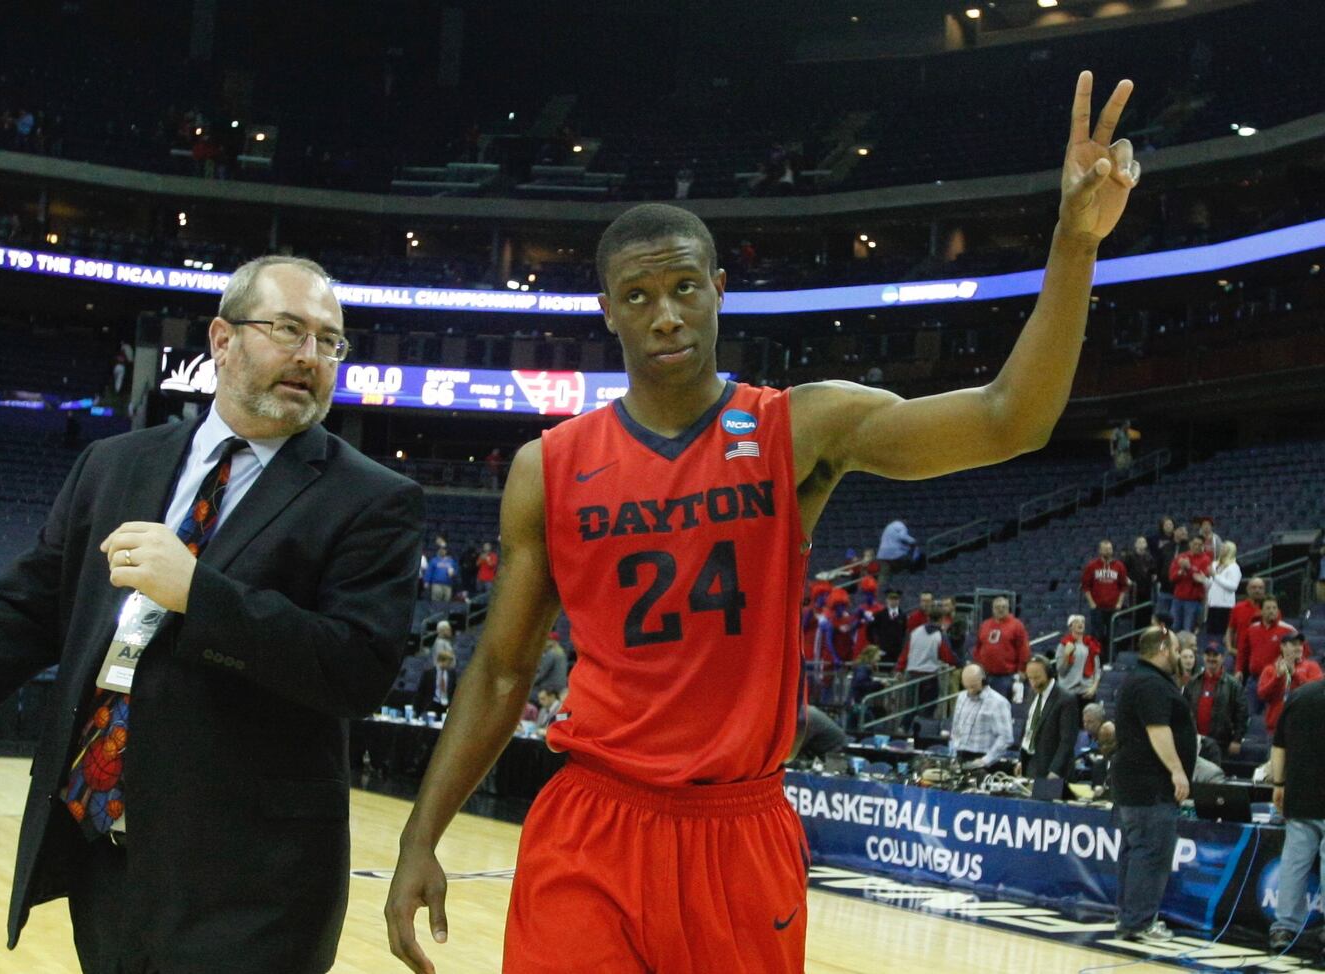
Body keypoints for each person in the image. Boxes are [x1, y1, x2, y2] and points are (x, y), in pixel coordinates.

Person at [385, 73, 1142, 974]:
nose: (664, 313)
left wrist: (1073, 243)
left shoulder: (798, 427)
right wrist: (417, 838)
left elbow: (1009, 418)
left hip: (738, 831)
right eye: (638, 296)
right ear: (608, 312)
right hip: (593, 821)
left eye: (683, 287)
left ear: (718, 288)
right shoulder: (546, 468)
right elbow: (505, 669)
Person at [0, 256, 424, 973]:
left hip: (255, 883)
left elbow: (356, 667)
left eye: (329, 341)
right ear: (222, 339)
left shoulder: (372, 499)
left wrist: (200, 593)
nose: (310, 356)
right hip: (105, 848)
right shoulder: (114, 465)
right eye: (288, 330)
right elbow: (28, 605)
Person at [1110, 628, 1195, 944]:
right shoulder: (1150, 683)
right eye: (1175, 647)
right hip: (1150, 784)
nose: (1179, 653)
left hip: (1136, 783)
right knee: (1152, 852)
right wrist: (1177, 771)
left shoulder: (1142, 680)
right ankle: (1138, 922)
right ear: (1162, 648)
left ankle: (1129, 916)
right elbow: (1158, 730)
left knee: (1136, 852)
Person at [1266, 676, 1325, 959]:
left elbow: (1279, 746)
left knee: (1294, 863)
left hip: (1300, 795)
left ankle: (1283, 928)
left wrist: (1278, 784)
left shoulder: (1300, 697)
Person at [1017, 656, 1078, 781]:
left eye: (1037, 677)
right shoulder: (1032, 693)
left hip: (1052, 769)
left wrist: (1055, 770)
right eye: (1030, 678)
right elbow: (1028, 728)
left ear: (1050, 674)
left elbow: (1067, 740)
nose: (1033, 682)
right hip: (1031, 764)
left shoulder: (1066, 699)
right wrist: (1021, 760)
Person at [1185, 640, 1246, 761]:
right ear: (1203, 657)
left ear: (1222, 658)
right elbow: (1185, 710)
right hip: (1195, 742)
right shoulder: (1193, 682)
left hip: (1221, 744)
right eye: (1208, 655)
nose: (1211, 658)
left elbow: (1242, 714)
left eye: (1215, 655)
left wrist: (1237, 739)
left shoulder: (1233, 685)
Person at [1257, 632, 1322, 736]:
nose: (1299, 648)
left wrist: (1294, 674)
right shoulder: (1270, 669)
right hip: (1277, 729)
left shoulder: (1312, 667)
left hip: (1304, 728)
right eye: (1294, 644)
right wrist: (1278, 677)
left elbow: (1316, 692)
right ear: (1283, 646)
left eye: (1300, 645)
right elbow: (1263, 695)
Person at [950, 663, 1013, 769]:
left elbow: (1006, 738)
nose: (970, 690)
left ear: (984, 681)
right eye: (966, 686)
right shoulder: (961, 697)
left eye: (973, 686)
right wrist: (954, 749)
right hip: (960, 756)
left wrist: (985, 761)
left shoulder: (998, 702)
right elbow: (956, 727)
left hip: (983, 759)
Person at [973, 596, 1030, 700]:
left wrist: (1022, 670)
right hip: (985, 675)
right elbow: (978, 647)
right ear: (992, 609)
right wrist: (977, 665)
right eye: (997, 607)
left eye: (1003, 607)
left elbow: (1023, 649)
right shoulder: (985, 625)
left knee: (1002, 707)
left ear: (1008, 608)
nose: (1000, 609)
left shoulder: (1017, 625)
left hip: (1006, 676)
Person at [1081, 539, 1130, 646]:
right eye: (1105, 549)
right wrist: (1091, 603)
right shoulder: (1092, 566)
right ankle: (1096, 659)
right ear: (1100, 551)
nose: (1108, 551)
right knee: (1096, 636)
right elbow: (1085, 586)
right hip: (1097, 607)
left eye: (1109, 549)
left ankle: (1111, 659)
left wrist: (1119, 604)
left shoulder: (1119, 566)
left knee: (1112, 637)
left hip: (1113, 607)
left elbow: (1124, 587)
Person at [1169, 535, 1212, 634]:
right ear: (1190, 544)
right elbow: (1172, 577)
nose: (1197, 546)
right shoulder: (1181, 557)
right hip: (1177, 599)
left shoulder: (1206, 560)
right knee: (1174, 628)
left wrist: (1189, 568)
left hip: (1193, 601)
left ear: (1203, 546)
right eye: (1195, 544)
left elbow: (1199, 579)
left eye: (1200, 545)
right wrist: (1181, 571)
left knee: (1188, 629)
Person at [1055, 615, 1101, 700]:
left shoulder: (1091, 645)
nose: (1080, 623)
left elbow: (1097, 670)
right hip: (1067, 692)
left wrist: (1094, 688)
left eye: (1082, 622)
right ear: (1070, 626)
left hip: (1087, 691)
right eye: (1076, 622)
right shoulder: (1063, 645)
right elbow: (1061, 671)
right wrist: (1066, 655)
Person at [1201, 541, 1240, 641]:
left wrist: (1215, 576)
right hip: (1212, 604)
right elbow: (1213, 584)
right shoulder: (1215, 564)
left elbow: (1233, 586)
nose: (1222, 549)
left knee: (1221, 634)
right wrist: (1204, 580)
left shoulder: (1234, 567)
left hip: (1225, 606)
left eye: (1225, 548)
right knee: (1210, 635)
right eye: (1221, 547)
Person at [1225, 576, 1267, 658]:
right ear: (1248, 589)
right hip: (1240, 655)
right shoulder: (1238, 608)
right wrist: (1229, 648)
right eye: (1254, 587)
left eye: (1260, 588)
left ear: (1264, 590)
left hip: (1262, 656)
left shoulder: (1271, 610)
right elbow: (1230, 630)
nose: (1257, 590)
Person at [867, 588, 909, 668]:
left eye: (895, 599)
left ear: (899, 600)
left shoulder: (903, 616)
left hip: (897, 651)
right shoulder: (879, 615)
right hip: (883, 650)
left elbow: (904, 631)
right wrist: (875, 644)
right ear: (887, 600)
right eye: (891, 599)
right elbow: (869, 630)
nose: (893, 601)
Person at [415, 648, 460, 716]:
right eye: (449, 662)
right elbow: (421, 691)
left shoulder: (452, 673)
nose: (450, 665)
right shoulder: (429, 673)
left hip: (446, 706)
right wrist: (416, 709)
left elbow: (454, 691)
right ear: (441, 661)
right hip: (432, 704)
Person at [876, 518, 918, 585]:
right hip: (894, 554)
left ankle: (881, 589)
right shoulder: (901, 525)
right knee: (910, 561)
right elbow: (902, 536)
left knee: (884, 575)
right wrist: (913, 540)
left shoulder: (889, 526)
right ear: (904, 521)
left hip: (882, 554)